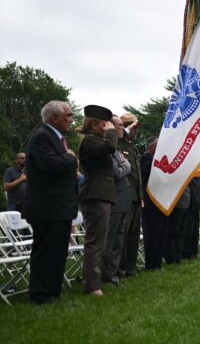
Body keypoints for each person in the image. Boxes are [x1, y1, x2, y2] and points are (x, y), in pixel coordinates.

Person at [22, 101, 78, 304]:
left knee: (58, 252)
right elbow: (50, 165)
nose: (71, 120)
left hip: (60, 207)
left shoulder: (57, 138)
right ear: (55, 117)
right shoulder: (41, 137)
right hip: (47, 208)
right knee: (46, 252)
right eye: (68, 115)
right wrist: (71, 157)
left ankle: (53, 291)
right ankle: (40, 294)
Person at [78, 104, 117, 296]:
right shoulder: (90, 141)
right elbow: (110, 147)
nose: (108, 128)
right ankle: (92, 286)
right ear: (94, 125)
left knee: (99, 241)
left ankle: (95, 281)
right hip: (95, 194)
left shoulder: (94, 140)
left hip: (101, 193)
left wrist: (109, 132)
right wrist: (111, 133)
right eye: (105, 124)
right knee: (95, 242)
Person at [102, 115, 132, 286]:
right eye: (119, 125)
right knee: (110, 239)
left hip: (123, 200)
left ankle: (113, 274)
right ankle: (107, 276)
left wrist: (124, 165)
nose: (122, 128)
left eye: (122, 125)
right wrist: (126, 165)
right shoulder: (110, 150)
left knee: (119, 240)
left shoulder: (118, 150)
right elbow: (117, 173)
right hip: (114, 199)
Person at [118, 113, 142, 278]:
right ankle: (120, 268)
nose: (136, 132)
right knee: (123, 235)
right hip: (124, 196)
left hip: (135, 196)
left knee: (133, 235)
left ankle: (131, 266)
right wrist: (126, 129)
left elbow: (137, 174)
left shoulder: (131, 146)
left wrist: (140, 196)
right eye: (134, 128)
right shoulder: (119, 143)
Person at [140, 137, 167, 270]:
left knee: (160, 233)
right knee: (151, 235)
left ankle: (158, 262)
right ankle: (151, 264)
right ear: (152, 147)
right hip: (149, 202)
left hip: (160, 200)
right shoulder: (145, 158)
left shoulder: (156, 159)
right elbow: (147, 171)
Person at [182, 177, 200, 259]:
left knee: (195, 230)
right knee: (188, 230)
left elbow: (198, 189)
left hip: (196, 204)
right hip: (189, 204)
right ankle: (186, 253)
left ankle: (194, 252)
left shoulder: (197, 176)